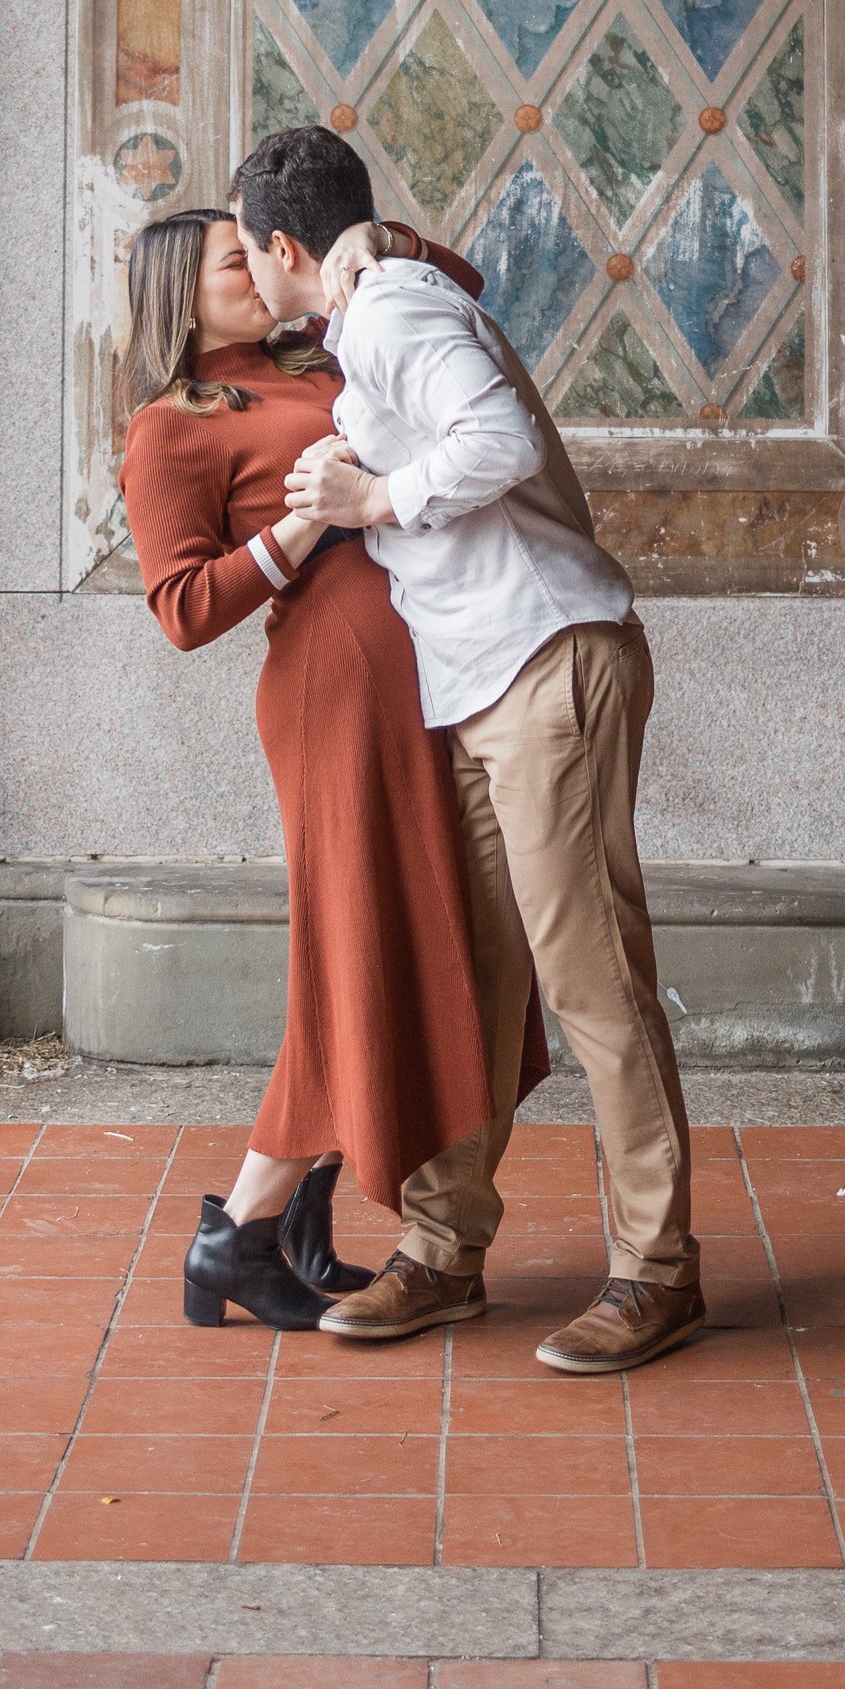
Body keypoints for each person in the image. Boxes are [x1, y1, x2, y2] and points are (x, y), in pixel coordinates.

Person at [235, 122, 704, 1378]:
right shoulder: (379, 298)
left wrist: (366, 497)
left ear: (284, 246)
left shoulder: (384, 308)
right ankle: (443, 1251)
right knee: (474, 971)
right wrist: (363, 456)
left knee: (592, 977)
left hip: (548, 660)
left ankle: (658, 1271)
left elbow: (495, 442)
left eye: (246, 253)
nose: (247, 279)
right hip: (489, 680)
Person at [117, 206, 547, 1335]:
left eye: (258, 250)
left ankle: (286, 1217)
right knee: (358, 945)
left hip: (436, 660)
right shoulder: (170, 426)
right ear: (181, 292)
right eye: (230, 262)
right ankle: (241, 1229)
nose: (257, 271)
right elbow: (180, 608)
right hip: (334, 690)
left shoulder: (325, 344)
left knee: (433, 931)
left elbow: (460, 280)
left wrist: (370, 236)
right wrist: (304, 527)